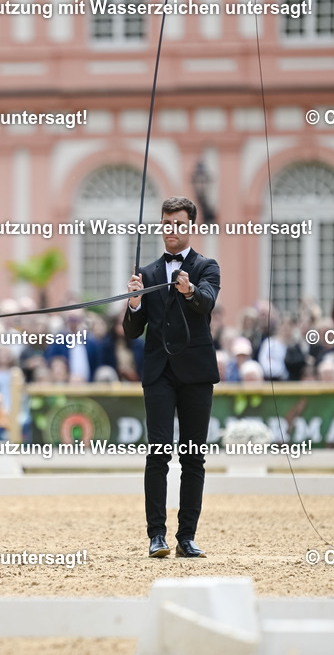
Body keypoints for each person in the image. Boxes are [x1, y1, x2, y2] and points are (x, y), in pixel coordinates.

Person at [125, 196, 220, 560]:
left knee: (193, 456)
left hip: (196, 373)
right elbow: (132, 331)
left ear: (190, 226)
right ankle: (157, 535)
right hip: (159, 373)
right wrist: (134, 303)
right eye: (167, 224)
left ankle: (187, 536)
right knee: (158, 453)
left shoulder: (206, 266)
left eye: (179, 224)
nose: (172, 231)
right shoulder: (147, 274)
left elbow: (207, 303)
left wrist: (190, 290)